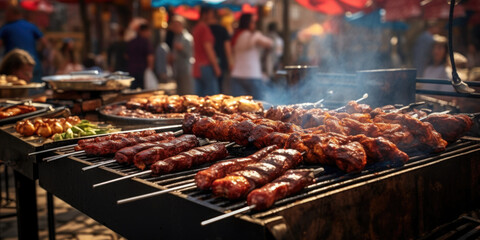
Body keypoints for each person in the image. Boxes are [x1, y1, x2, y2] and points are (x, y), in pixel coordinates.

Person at [230, 13, 273, 100]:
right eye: (253, 22)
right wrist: (257, 35)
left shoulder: (236, 36)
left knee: (238, 107)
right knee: (258, 106)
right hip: (252, 75)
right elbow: (269, 43)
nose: (255, 24)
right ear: (248, 23)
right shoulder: (253, 36)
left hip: (237, 75)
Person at [0, 5, 47, 82]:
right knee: (36, 89)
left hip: (16, 65)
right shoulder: (31, 26)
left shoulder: (6, 27)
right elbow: (44, 42)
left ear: (12, 14)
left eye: (7, 14)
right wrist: (38, 52)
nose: (5, 17)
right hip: (33, 62)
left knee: (15, 88)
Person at [192, 7, 221, 96]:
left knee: (200, 97)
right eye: (211, 14)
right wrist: (216, 66)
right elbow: (208, 49)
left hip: (197, 66)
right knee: (212, 98)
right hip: (206, 66)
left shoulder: (196, 28)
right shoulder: (204, 28)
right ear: (205, 14)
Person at [209, 11, 233, 93]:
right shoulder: (223, 30)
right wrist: (230, 62)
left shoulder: (206, 28)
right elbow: (227, 47)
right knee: (219, 88)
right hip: (220, 61)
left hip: (207, 63)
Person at [170, 15, 194, 95]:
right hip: (178, 69)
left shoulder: (187, 37)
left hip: (186, 69)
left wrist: (182, 49)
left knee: (186, 92)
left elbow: (191, 53)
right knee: (179, 92)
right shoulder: (176, 37)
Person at [126, 23, 154, 89]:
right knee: (144, 92)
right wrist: (150, 69)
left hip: (131, 70)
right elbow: (150, 57)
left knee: (132, 91)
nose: (149, 33)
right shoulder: (146, 42)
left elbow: (126, 56)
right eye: (148, 31)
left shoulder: (131, 42)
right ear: (143, 31)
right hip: (142, 71)